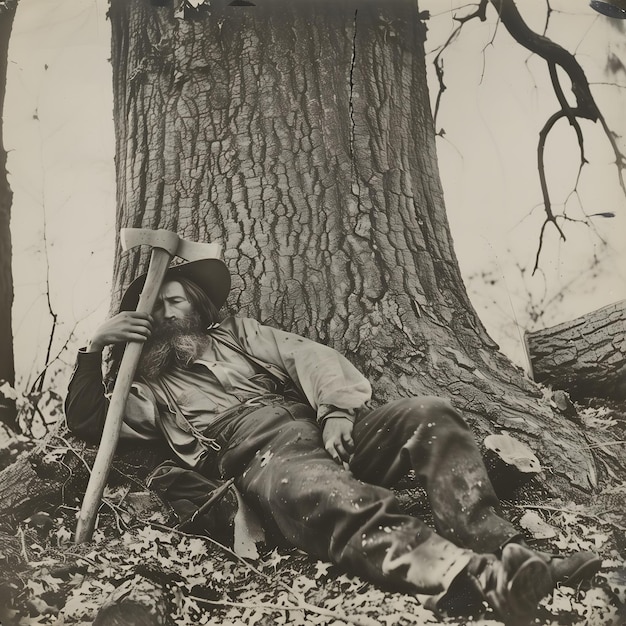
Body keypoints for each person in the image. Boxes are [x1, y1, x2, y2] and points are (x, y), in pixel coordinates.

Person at [65, 259, 601, 623]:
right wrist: (95, 349)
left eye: (174, 302)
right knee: (332, 498)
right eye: (152, 308)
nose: (163, 314)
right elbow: (89, 421)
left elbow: (310, 357)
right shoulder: (148, 390)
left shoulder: (241, 336)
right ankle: (476, 577)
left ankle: (504, 549)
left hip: (321, 427)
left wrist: (337, 413)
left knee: (429, 416)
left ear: (200, 308)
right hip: (259, 455)